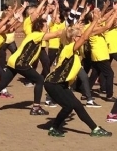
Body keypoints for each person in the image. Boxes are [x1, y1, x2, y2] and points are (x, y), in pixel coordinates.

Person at [45, 9, 112, 137]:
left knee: (76, 106)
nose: (83, 39)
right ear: (75, 39)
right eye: (79, 37)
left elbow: (82, 34)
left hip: (61, 83)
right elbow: (85, 36)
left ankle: (95, 129)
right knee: (68, 106)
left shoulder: (72, 49)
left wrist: (80, 26)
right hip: (53, 83)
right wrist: (95, 21)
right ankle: (54, 128)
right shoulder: (69, 48)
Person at [0, 17, 63, 115]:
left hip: (13, 61)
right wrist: (70, 28)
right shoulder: (37, 35)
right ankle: (36, 107)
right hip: (20, 63)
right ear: (40, 27)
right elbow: (56, 34)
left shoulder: (34, 35)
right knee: (40, 80)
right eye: (45, 26)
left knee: (2, 84)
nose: (47, 28)